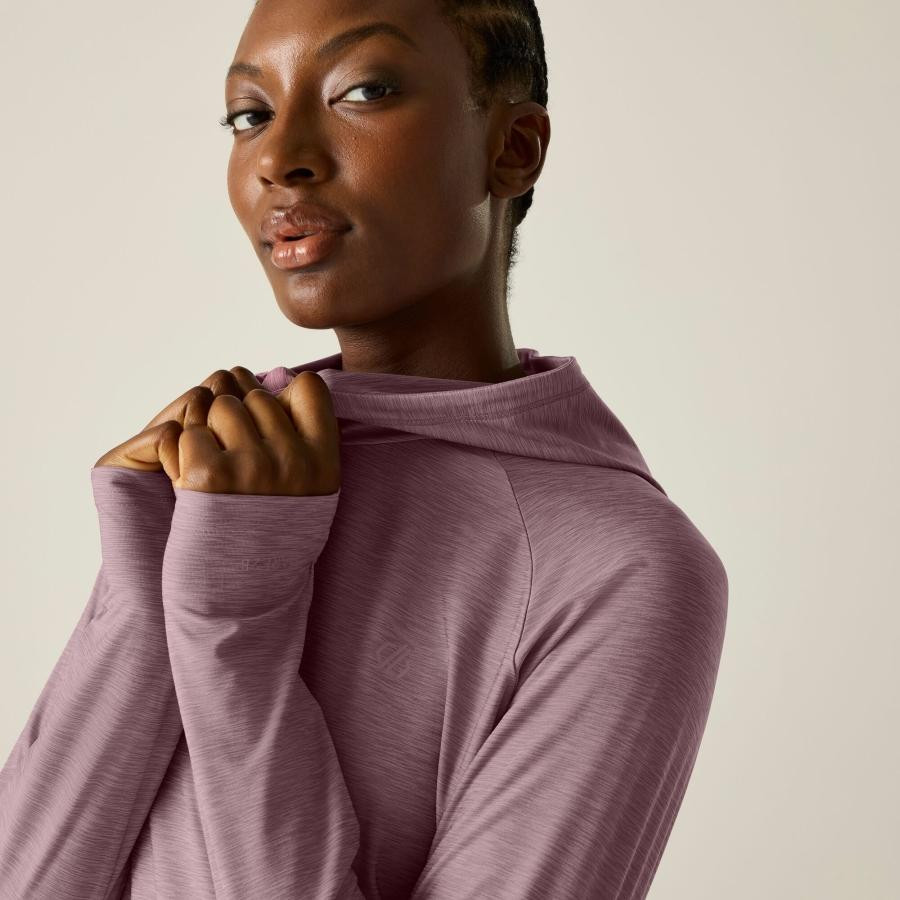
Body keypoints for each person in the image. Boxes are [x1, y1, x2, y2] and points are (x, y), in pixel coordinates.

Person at [0, 1, 728, 898]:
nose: (277, 157)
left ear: (513, 148)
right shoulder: (230, 474)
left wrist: (234, 623)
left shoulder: (621, 568)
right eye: (249, 114)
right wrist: (142, 593)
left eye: (363, 91)